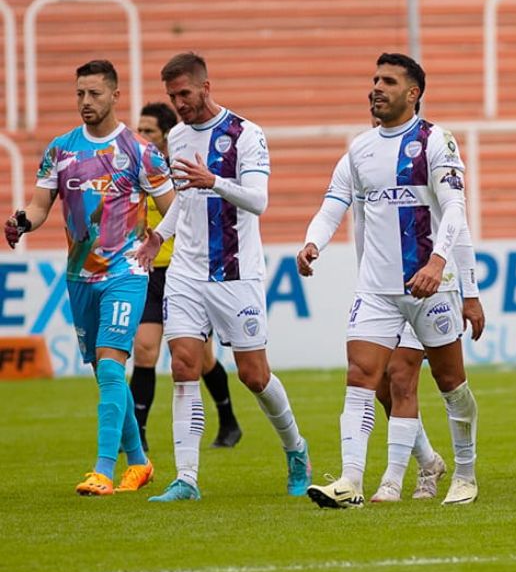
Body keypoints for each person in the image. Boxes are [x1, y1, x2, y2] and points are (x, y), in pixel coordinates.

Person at [304, 53, 480, 508]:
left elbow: (456, 210)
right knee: (363, 377)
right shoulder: (359, 149)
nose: (376, 88)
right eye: (374, 79)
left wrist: (440, 265)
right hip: (376, 289)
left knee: (451, 384)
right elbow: (334, 202)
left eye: (388, 81)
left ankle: (464, 472)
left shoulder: (436, 141)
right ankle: (351, 481)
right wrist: (312, 243)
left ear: (413, 92)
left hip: (430, 287)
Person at [135, 52, 311, 502]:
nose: (180, 104)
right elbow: (186, 203)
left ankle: (295, 448)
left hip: (236, 274)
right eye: (173, 96)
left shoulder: (246, 135)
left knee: (254, 375)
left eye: (186, 94)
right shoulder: (175, 136)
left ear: (206, 87)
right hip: (187, 272)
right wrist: (159, 235)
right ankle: (187, 479)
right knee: (183, 367)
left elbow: (258, 200)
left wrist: (214, 179)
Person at [6, 60, 173, 495]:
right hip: (80, 276)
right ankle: (138, 463)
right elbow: (42, 205)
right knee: (105, 372)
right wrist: (23, 221)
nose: (85, 102)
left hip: (127, 271)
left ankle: (102, 470)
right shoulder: (61, 149)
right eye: (80, 93)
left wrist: (157, 241)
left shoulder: (140, 150)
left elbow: (175, 207)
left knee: (113, 364)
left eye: (94, 94)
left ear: (116, 95)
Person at [130, 102, 241, 451]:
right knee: (144, 350)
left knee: (201, 359)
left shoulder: (181, 167)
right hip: (149, 271)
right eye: (139, 130)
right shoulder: (135, 168)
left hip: (184, 272)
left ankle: (229, 421)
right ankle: (138, 436)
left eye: (148, 131)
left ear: (164, 134)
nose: (141, 136)